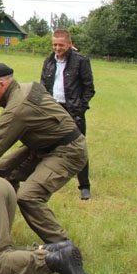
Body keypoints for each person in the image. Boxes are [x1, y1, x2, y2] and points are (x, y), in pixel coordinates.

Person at [0, 63, 87, 245]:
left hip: (67, 151)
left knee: (29, 197)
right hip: (42, 145)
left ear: (3, 84)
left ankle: (64, 248)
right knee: (2, 173)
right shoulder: (28, 87)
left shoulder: (17, 109)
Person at [40, 29, 95, 200]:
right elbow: (43, 85)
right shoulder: (48, 61)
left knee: (78, 148)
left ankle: (84, 186)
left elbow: (89, 88)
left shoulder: (81, 61)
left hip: (73, 111)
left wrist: (80, 108)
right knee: (46, 146)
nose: (57, 48)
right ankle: (43, 182)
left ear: (69, 44)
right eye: (54, 44)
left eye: (60, 45)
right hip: (52, 109)